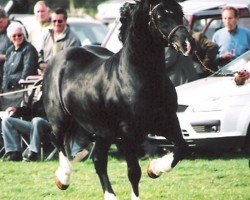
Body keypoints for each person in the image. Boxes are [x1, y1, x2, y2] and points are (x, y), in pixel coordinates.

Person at [38, 7, 81, 74]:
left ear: (65, 21)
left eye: (60, 21)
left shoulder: (73, 40)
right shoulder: (47, 36)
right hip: (46, 76)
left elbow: (74, 63)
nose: (57, 23)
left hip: (64, 78)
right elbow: (40, 54)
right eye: (54, 21)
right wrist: (40, 63)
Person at [2, 22, 38, 92]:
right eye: (14, 36)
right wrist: (4, 87)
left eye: (19, 35)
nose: (17, 37)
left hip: (22, 87)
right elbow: (6, 71)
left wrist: (23, 79)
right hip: (9, 88)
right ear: (10, 37)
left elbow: (28, 67)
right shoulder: (9, 50)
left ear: (23, 35)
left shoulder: (29, 49)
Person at [0, 8, 12, 88]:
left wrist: (3, 57)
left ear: (6, 19)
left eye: (0, 22)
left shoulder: (14, 31)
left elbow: (21, 53)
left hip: (9, 74)